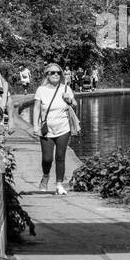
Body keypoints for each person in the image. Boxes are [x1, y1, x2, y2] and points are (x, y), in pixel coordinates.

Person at [33, 62, 77, 195]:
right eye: (52, 72)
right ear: (47, 75)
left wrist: (69, 100)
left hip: (63, 128)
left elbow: (74, 104)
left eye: (58, 72)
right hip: (47, 129)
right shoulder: (41, 90)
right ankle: (45, 176)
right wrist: (35, 125)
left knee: (60, 156)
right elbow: (36, 108)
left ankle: (59, 184)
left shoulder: (65, 89)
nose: (56, 75)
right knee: (47, 158)